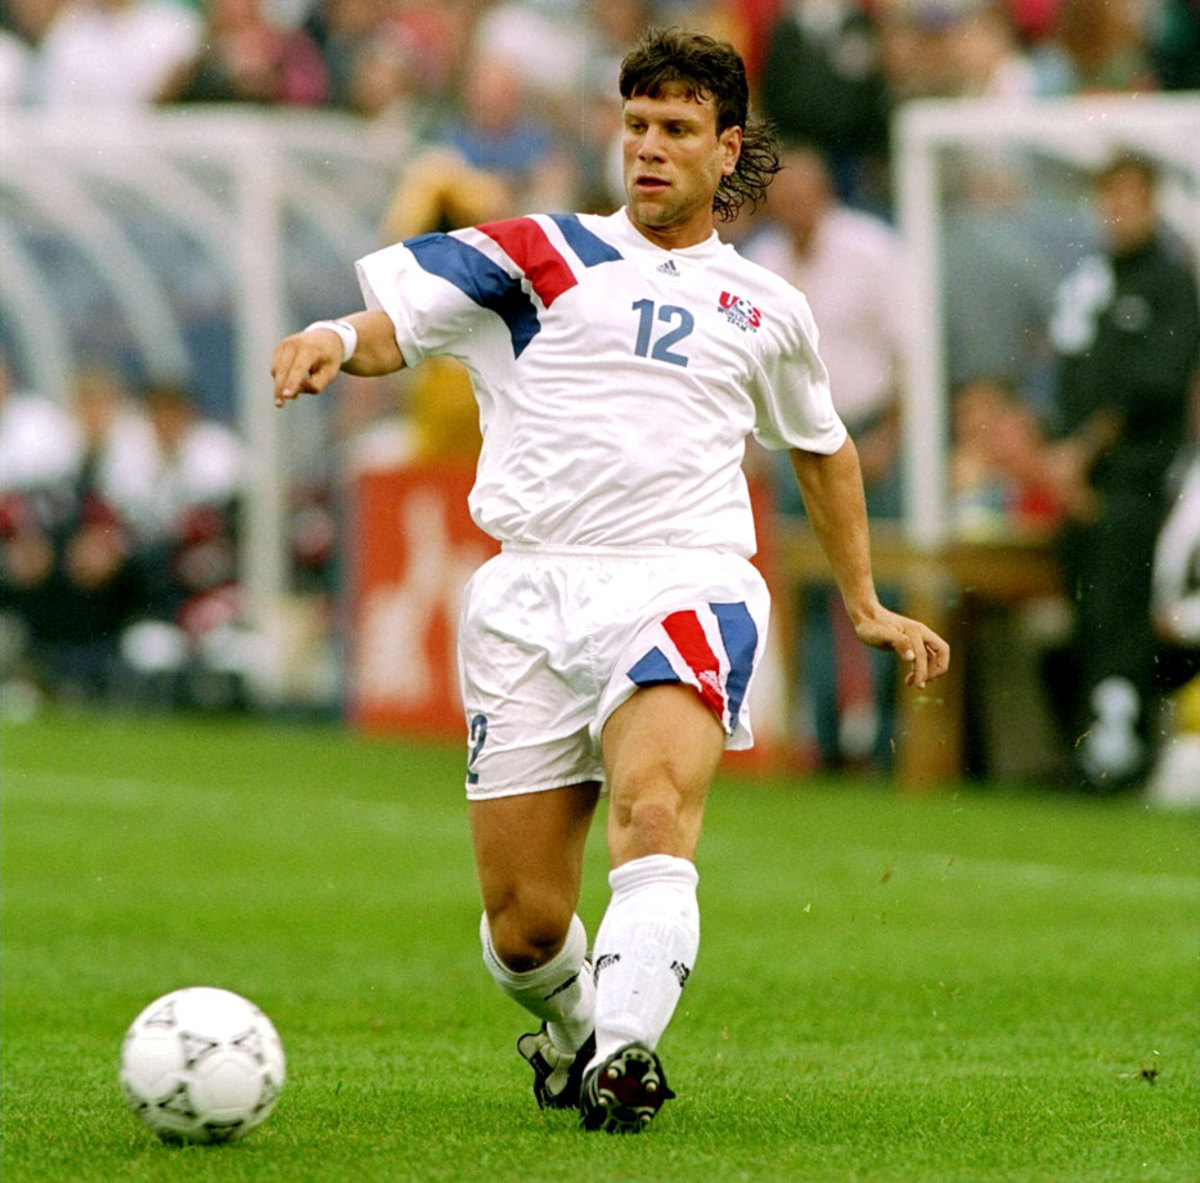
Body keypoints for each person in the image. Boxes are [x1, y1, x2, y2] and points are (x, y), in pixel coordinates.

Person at [271, 27, 949, 1133]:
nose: (649, 147)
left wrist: (864, 599)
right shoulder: (540, 249)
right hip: (531, 596)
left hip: (686, 579)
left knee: (655, 808)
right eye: (636, 124)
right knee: (524, 928)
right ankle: (579, 1028)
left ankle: (628, 1054)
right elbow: (403, 325)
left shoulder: (768, 306)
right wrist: (332, 338)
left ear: (728, 149)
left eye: (677, 128)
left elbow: (821, 445)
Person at [1042, 150, 1200, 789]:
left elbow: (1155, 385)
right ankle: (1091, 748)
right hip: (1082, 484)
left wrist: (1080, 451)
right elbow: (1067, 375)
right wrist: (1064, 461)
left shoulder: (1171, 281)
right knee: (1086, 616)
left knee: (1121, 617)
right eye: (1110, 199)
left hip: (1138, 484)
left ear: (1152, 203)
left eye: (1130, 198)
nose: (1119, 212)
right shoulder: (1091, 279)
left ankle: (1121, 756)